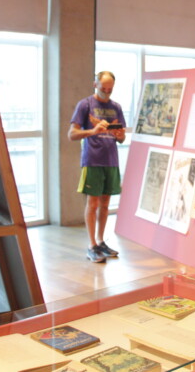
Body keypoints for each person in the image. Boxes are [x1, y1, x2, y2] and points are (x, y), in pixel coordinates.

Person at [68, 71, 126, 263]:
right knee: (92, 203)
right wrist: (92, 131)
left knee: (105, 204)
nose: (106, 93)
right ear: (95, 84)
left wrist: (119, 135)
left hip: (111, 160)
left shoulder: (116, 107)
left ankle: (101, 241)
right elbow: (72, 134)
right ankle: (91, 245)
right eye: (103, 89)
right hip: (92, 160)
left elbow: (122, 136)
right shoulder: (85, 105)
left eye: (110, 90)